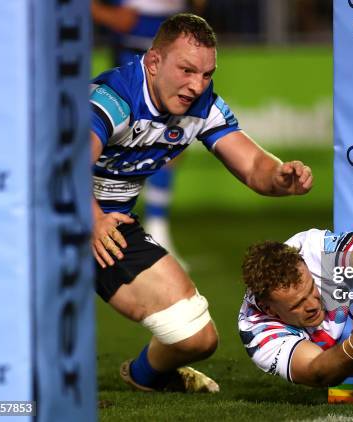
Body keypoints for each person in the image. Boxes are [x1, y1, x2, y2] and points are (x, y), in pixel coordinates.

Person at [90, 13, 313, 393]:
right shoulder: (113, 99)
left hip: (110, 228)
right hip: (50, 219)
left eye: (207, 74)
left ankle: (145, 377)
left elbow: (254, 166)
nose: (197, 85)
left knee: (195, 338)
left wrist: (280, 176)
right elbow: (60, 167)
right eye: (187, 70)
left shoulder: (202, 106)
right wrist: (91, 221)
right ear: (154, 62)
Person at [91, 0, 207, 261]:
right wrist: (106, 14)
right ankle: (100, 218)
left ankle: (157, 226)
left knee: (173, 136)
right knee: (119, 135)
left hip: (174, 35)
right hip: (134, 41)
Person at [238, 229, 353, 387]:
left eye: (311, 289)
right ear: (270, 310)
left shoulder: (314, 249)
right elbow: (316, 372)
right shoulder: (259, 333)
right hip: (342, 344)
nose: (312, 305)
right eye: (297, 304)